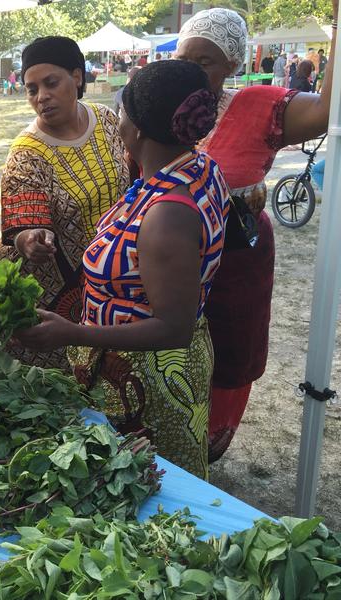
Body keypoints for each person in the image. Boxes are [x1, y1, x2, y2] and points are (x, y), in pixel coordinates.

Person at [16, 59, 229, 479]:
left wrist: (71, 332)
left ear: (139, 128)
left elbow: (173, 327)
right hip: (147, 368)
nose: (117, 120)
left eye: (124, 110)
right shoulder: (194, 166)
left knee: (148, 494)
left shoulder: (166, 215)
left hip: (152, 381)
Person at [175, 6, 336, 461]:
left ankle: (208, 445)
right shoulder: (162, 102)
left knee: (231, 345)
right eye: (185, 58)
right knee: (174, 339)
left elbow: (326, 110)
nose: (190, 70)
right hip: (175, 255)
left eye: (204, 62)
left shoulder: (257, 105)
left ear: (232, 64)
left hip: (237, 256)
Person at [0, 36, 129, 369]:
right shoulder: (27, 152)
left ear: (77, 77)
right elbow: (24, 225)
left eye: (51, 83)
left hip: (112, 281)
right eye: (32, 89)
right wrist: (31, 240)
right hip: (55, 296)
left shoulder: (107, 121)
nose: (42, 97)